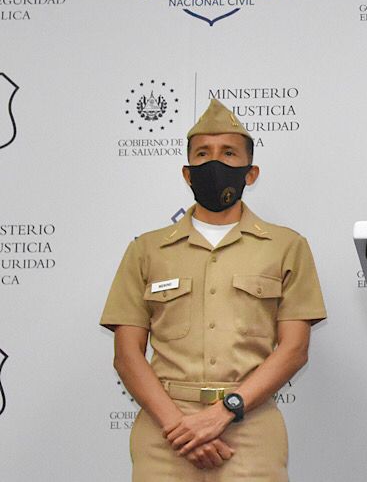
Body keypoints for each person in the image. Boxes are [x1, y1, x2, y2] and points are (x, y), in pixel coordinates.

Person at [101, 99, 327, 481]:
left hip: (250, 426)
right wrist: (180, 428)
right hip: (164, 431)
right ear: (187, 173)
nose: (214, 162)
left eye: (228, 153)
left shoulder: (287, 247)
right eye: (203, 154)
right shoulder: (146, 250)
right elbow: (127, 355)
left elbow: (294, 350)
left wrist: (222, 413)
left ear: (250, 173)